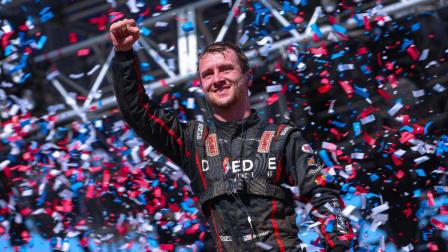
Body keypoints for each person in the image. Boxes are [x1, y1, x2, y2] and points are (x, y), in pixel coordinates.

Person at [110, 18, 352, 251]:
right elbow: (137, 112)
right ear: (202, 85)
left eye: (225, 69)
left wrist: (338, 245)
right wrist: (123, 55)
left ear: (247, 76)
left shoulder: (282, 137)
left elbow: (322, 194)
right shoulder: (193, 141)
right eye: (208, 74)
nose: (217, 79)